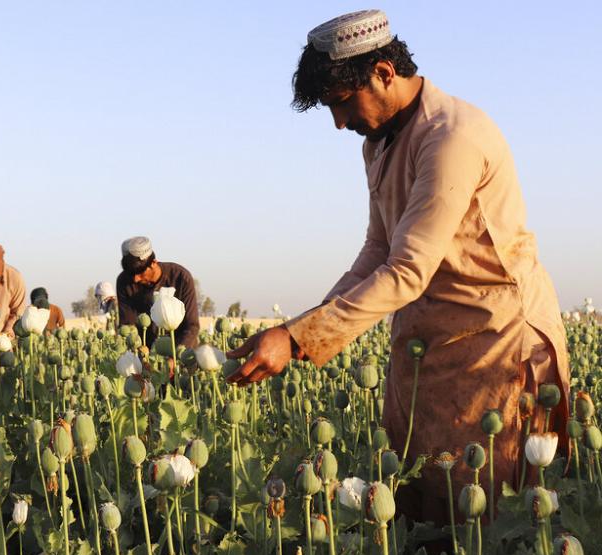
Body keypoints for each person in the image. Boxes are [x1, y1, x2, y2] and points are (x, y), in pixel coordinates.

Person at [226, 10, 570, 528]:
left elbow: (407, 270)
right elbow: (377, 249)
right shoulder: (379, 142)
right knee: (418, 497)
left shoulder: (451, 138)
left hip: (494, 343)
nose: (339, 123)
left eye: (342, 103)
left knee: (486, 513)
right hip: (426, 344)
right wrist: (297, 328)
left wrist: (297, 340)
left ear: (385, 73)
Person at [116, 236, 199, 348]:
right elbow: (127, 324)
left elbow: (192, 326)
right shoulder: (124, 281)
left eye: (140, 273)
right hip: (146, 354)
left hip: (181, 352)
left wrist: (177, 355)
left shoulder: (181, 277)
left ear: (153, 263)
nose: (135, 279)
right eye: (131, 274)